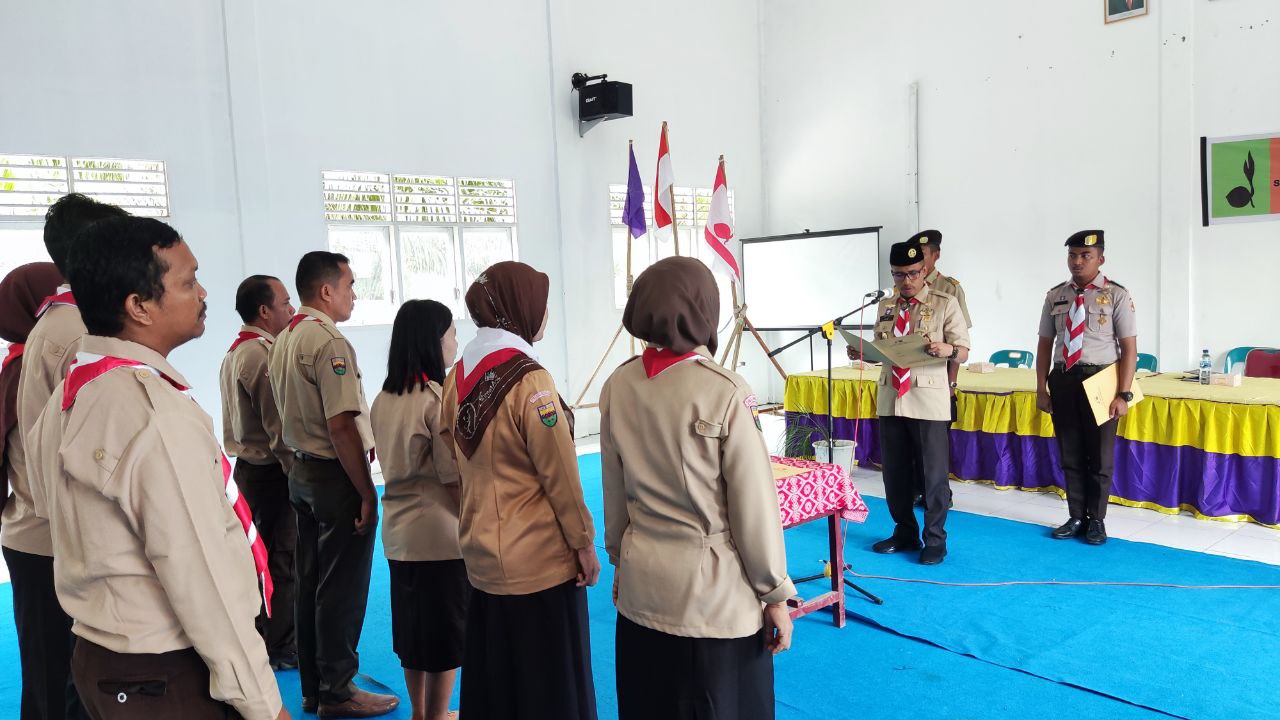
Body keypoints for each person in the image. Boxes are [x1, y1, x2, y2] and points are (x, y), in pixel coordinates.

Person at [25, 216, 287, 719]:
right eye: (187, 282)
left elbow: (43, 500)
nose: (203, 292)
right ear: (138, 306)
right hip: (164, 676)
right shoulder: (151, 413)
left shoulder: (74, 390)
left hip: (106, 660)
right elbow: (199, 573)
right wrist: (263, 703)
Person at [600, 257, 796, 720]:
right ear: (705, 310)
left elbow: (614, 491)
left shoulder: (618, 385)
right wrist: (775, 594)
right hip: (713, 601)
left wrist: (620, 559)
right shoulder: (725, 391)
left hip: (642, 589)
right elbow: (754, 509)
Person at [439, 261, 599, 720]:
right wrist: (583, 543)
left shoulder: (458, 375)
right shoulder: (530, 380)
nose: (545, 313)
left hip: (482, 555)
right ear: (518, 307)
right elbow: (561, 477)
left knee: (500, 681)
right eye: (540, 302)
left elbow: (454, 461)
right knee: (548, 685)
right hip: (538, 563)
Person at [14, 193, 128, 720]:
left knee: (51, 678)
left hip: (44, 533)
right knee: (70, 683)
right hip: (59, 538)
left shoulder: (61, 324)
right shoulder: (79, 331)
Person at [268, 252, 396, 717]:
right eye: (349, 285)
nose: (354, 294)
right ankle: (338, 690)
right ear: (326, 291)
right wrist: (365, 491)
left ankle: (314, 687)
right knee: (340, 586)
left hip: (301, 473)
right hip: (332, 474)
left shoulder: (284, 337)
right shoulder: (328, 342)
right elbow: (341, 425)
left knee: (309, 582)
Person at [370, 300, 469, 720]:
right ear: (433, 340)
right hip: (439, 534)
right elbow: (452, 476)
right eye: (450, 333)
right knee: (447, 632)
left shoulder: (384, 398)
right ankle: (437, 712)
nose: (455, 341)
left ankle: (420, 712)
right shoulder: (437, 399)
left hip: (399, 533)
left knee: (413, 632)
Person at [870, 239, 970, 565]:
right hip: (892, 398)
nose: (907, 281)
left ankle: (935, 539)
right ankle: (904, 532)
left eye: (913, 273)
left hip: (928, 399)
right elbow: (882, 348)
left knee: (933, 474)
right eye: (899, 275)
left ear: (924, 270)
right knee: (895, 474)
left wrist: (947, 350)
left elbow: (963, 350)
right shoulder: (886, 307)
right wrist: (863, 353)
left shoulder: (945, 303)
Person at [1036, 230, 1137, 545]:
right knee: (1070, 453)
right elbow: (1044, 345)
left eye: (1085, 256)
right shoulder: (1056, 295)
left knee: (1100, 456)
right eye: (1073, 255)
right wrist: (1041, 387)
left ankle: (1097, 520)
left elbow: (1129, 348)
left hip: (1101, 381)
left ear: (1100, 259)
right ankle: (1076, 515)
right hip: (1064, 378)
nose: (1077, 262)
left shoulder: (1116, 295)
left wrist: (1124, 393)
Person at [0, 262, 70, 720]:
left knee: (52, 666)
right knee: (50, 666)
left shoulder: (20, 364)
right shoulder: (28, 367)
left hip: (35, 534)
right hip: (40, 538)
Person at [219, 275, 298, 670]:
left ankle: (268, 635)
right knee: (281, 557)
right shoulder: (260, 356)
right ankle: (281, 643)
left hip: (249, 470)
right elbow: (278, 428)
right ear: (264, 311)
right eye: (285, 302)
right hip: (270, 472)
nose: (292, 309)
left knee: (262, 555)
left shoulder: (237, 350)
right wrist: (296, 475)